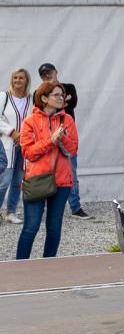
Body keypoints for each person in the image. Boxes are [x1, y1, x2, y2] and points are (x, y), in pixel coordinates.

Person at [15, 80, 78, 259]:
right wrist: (51, 140)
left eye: (62, 94)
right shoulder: (29, 122)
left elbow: (72, 150)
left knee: (54, 227)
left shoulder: (67, 119)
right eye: (56, 95)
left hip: (62, 182)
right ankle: (20, 267)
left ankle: (48, 265)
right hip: (37, 180)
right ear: (44, 98)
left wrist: (61, 138)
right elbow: (29, 153)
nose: (61, 98)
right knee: (31, 226)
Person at [37, 64, 86, 218]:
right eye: (43, 74)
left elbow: (72, 103)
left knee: (71, 173)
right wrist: (63, 101)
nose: (47, 75)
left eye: (49, 72)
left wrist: (57, 102)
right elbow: (41, 108)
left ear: (56, 71)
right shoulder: (38, 92)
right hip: (47, 137)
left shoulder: (69, 87)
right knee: (45, 173)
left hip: (66, 136)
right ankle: (42, 208)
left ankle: (76, 208)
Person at [1, 69, 33, 224]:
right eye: (15, 77)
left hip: (25, 145)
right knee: (4, 180)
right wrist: (12, 132)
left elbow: (35, 119)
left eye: (21, 78)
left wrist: (27, 136)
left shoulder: (31, 99)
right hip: (7, 144)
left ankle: (10, 212)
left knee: (18, 181)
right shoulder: (4, 97)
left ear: (27, 80)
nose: (18, 80)